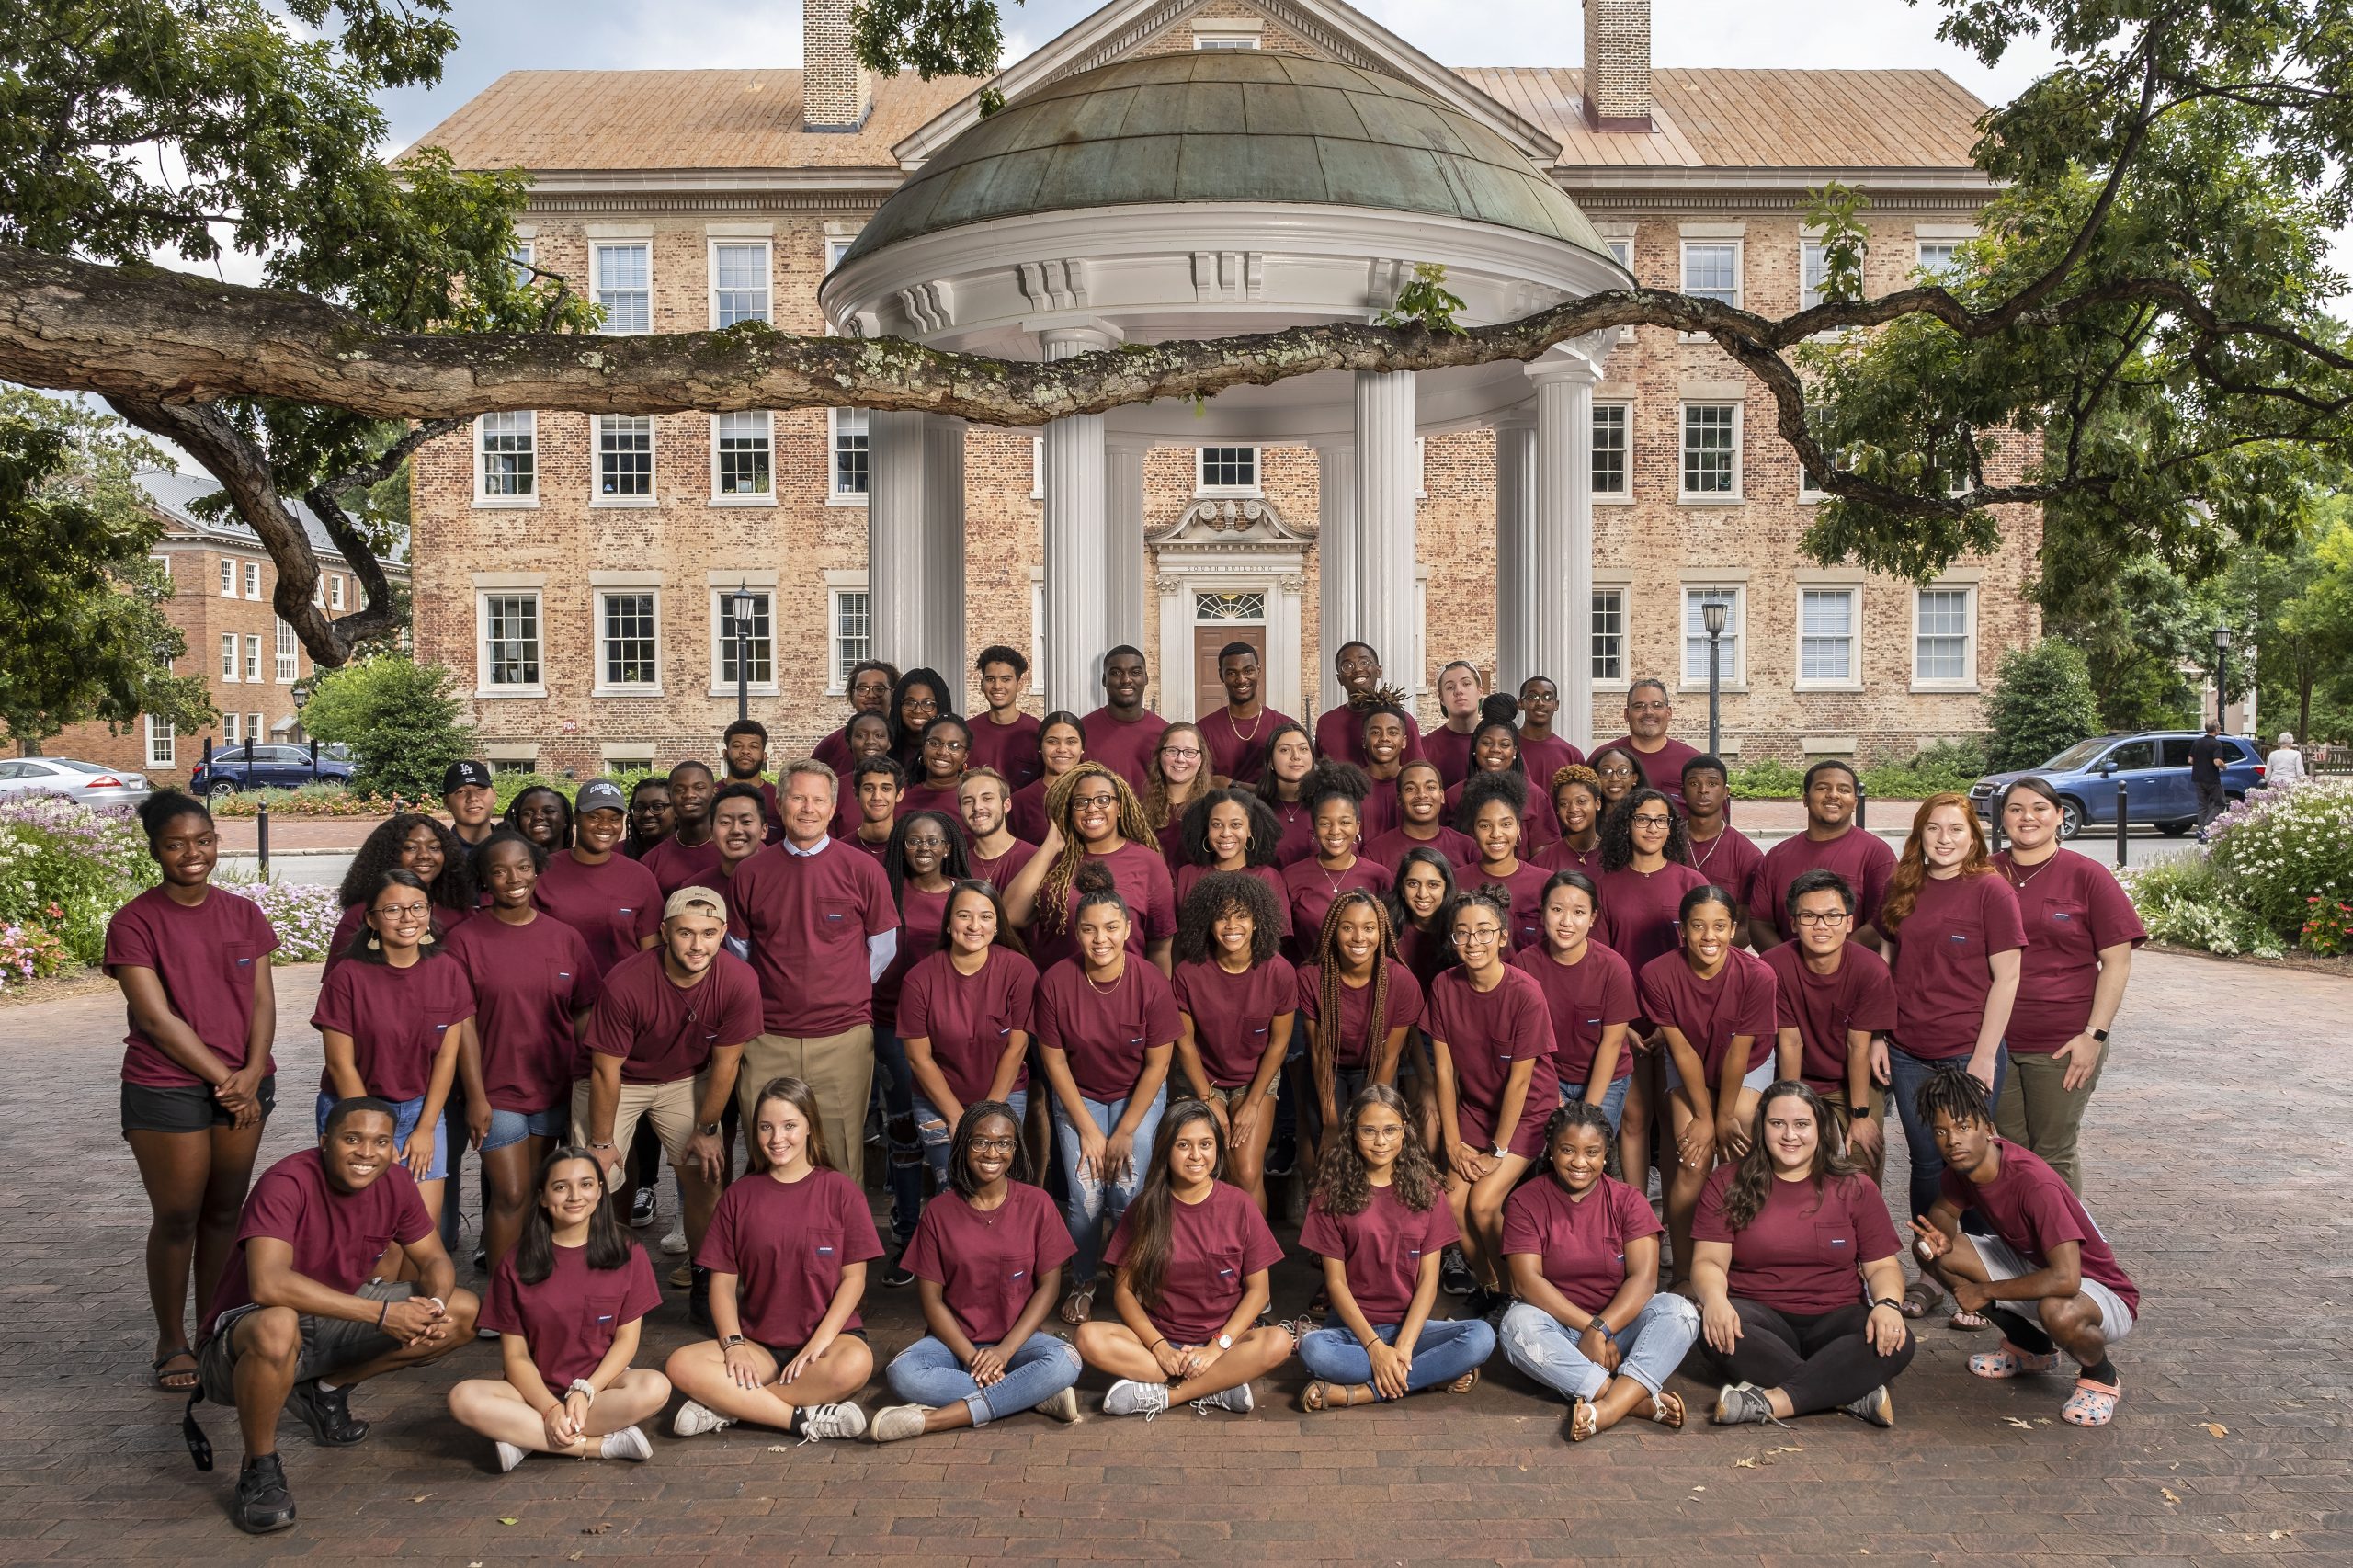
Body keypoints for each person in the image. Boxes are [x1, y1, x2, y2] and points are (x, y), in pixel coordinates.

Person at [189, 1097, 478, 1533]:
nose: (366, 1153)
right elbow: (268, 1285)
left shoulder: (396, 1183)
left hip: (331, 1318)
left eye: (380, 1141)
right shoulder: (287, 1181)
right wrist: (382, 1315)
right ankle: (260, 1468)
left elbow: (435, 1259)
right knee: (278, 1322)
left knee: (463, 1311)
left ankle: (323, 1391)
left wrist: (433, 1305)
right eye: (352, 1139)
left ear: (392, 1149)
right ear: (324, 1141)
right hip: (241, 1340)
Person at [110, 790, 278, 1395]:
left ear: (216, 841)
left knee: (225, 1214)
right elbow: (156, 1018)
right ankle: (171, 1340)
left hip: (246, 1084)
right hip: (166, 1085)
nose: (192, 853)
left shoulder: (244, 915)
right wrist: (224, 1078)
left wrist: (253, 1071)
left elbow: (262, 1001)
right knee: (178, 1215)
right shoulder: (134, 922)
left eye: (202, 840)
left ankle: (212, 1332)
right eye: (177, 843)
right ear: (155, 849)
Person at [1912, 1071, 2141, 1427]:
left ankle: (2101, 1377)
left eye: (1962, 1127)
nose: (1952, 1141)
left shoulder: (2034, 1183)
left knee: (2059, 1311)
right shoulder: (1963, 1167)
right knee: (1929, 1251)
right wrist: (1940, 1235)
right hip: (2036, 1265)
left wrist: (1982, 1291)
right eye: (1941, 1132)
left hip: (2099, 1289)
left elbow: (2066, 1278)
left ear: (1987, 1128)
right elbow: (1943, 1210)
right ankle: (2030, 1348)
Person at [580, 887, 759, 1322]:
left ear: (723, 934)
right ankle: (596, 1283)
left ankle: (705, 1281)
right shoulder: (626, 982)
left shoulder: (738, 980)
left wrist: (708, 1129)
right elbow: (606, 1071)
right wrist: (602, 1145)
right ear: (664, 932)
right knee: (592, 1182)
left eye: (708, 934)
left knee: (705, 1175)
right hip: (618, 1081)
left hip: (682, 1080)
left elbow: (726, 1063)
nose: (697, 945)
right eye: (685, 933)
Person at [1877, 793, 2025, 1318]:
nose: (1944, 839)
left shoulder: (1990, 890)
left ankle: (1983, 1279)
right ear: (1919, 836)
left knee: (1973, 1165)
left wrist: (1984, 1058)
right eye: (1933, 829)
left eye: (1956, 830)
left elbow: (2007, 977)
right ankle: (1931, 1273)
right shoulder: (1904, 887)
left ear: (1974, 837)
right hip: (1909, 1050)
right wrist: (1878, 1036)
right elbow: (1885, 966)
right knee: (1926, 1165)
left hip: (1967, 1052)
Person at [1690, 1083, 1914, 1427]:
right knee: (1714, 1328)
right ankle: (1850, 1391)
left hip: (1836, 1318)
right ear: (1761, 1127)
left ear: (1820, 1128)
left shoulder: (1855, 1187)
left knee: (1897, 1338)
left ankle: (1774, 1401)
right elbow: (1709, 1261)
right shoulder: (1728, 1181)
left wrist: (1887, 1304)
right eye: (1777, 1123)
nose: (1789, 1135)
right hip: (1759, 1318)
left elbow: (1882, 1266)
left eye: (1801, 1124)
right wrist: (1716, 1300)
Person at [666, 1077, 877, 1442]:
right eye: (766, 1127)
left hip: (829, 1340)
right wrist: (733, 1345)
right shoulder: (739, 1196)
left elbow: (854, 1280)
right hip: (759, 1343)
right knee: (680, 1364)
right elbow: (722, 1284)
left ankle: (729, 1408)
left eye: (789, 1125)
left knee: (856, 1364)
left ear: (810, 1126)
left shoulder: (841, 1191)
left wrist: (817, 1345)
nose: (777, 1138)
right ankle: (799, 1418)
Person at [724, 759, 899, 1189]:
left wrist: (843, 987)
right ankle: (771, 1253)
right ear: (780, 804)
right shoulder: (750, 873)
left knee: (840, 1158)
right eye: (798, 797)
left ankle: (842, 1254)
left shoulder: (862, 870)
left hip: (842, 1040)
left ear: (833, 807)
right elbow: (741, 952)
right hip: (766, 1039)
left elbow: (884, 946)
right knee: (769, 1158)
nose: (807, 808)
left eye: (818, 799)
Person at [871, 1102, 1085, 1440]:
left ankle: (939, 1419)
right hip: (954, 1346)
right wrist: (973, 1357)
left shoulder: (1036, 1204)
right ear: (964, 1145)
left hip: (1019, 1343)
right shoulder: (940, 1211)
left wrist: (1004, 1351)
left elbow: (1049, 1288)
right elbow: (931, 1301)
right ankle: (1031, 1396)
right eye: (980, 1141)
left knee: (1066, 1360)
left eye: (1004, 1143)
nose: (992, 1152)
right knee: (902, 1374)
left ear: (1015, 1149)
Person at [447, 1147, 668, 1469]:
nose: (574, 1196)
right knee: (463, 1398)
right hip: (532, 1392)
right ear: (543, 1197)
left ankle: (524, 1438)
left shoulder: (628, 1252)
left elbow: (626, 1341)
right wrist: (550, 1409)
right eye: (561, 1186)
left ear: (600, 1192)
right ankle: (598, 1446)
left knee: (654, 1387)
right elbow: (516, 1356)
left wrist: (586, 1390)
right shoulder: (516, 1262)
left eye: (586, 1184)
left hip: (602, 1387)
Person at [445, 833, 599, 1274]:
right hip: (496, 1092)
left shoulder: (565, 938)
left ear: (537, 870)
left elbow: (583, 1009)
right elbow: (461, 1026)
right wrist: (474, 1097)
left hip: (553, 1089)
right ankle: (501, 1296)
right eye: (499, 871)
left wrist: (584, 1082)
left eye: (523, 867)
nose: (513, 879)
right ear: (484, 880)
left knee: (538, 1194)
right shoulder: (464, 941)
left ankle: (533, 1284)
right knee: (511, 1195)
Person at [1078, 1103, 1294, 1416]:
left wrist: (1216, 1348)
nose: (1196, 1156)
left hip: (1223, 1344)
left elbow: (1260, 1292)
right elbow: (1124, 1293)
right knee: (1088, 1338)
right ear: (1165, 1149)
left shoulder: (1241, 1206)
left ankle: (1167, 1395)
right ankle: (1219, 1386)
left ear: (1217, 1150)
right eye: (1183, 1145)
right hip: (1158, 1341)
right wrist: (1160, 1347)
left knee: (1279, 1341)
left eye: (1205, 1145)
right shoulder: (1144, 1209)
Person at [1034, 866, 1180, 1324]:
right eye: (1090, 929)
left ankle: (1130, 1280)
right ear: (1076, 932)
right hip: (1080, 1096)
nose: (1101, 939)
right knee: (1085, 1192)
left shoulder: (1151, 981)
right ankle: (1083, 1278)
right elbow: (1054, 1062)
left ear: (1129, 929)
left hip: (1138, 1095)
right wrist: (1089, 1130)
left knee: (1128, 1185)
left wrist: (1125, 1132)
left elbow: (1158, 1064)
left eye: (1112, 928)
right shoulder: (1056, 981)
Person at [1499, 1104, 1699, 1439]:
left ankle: (1606, 1408)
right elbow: (1526, 1282)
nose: (1580, 1162)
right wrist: (1590, 1328)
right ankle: (1633, 1401)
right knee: (1515, 1326)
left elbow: (1644, 1280)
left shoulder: (1627, 1200)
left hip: (1620, 1329)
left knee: (1681, 1312)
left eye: (1592, 1152)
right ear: (1551, 1152)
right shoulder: (1526, 1201)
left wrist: (1603, 1329)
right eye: (1568, 1150)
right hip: (1559, 1331)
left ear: (1606, 1155)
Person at [1991, 778, 2144, 1192]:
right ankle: (2015, 1253)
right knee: (2004, 1152)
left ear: (2059, 816)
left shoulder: (2086, 876)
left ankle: (2065, 1256)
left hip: (2062, 1042)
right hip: (1992, 1044)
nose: (2028, 817)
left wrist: (2093, 1035)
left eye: (2040, 808)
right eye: (2016, 808)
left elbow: (2117, 962)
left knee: (2052, 1154)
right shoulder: (1983, 875)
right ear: (2002, 818)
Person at [1297, 1085, 1493, 1409]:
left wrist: (1402, 1347)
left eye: (1390, 1130)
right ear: (1353, 1134)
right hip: (1351, 1332)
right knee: (1313, 1351)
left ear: (1405, 1131)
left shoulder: (1429, 1192)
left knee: (1481, 1337)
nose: (1381, 1141)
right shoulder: (1328, 1195)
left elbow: (1429, 1281)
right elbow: (1335, 1284)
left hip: (1411, 1330)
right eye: (1369, 1131)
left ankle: (1362, 1392)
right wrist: (1374, 1347)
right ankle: (1431, 1377)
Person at [313, 869, 476, 1226]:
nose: (408, 919)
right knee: (368, 1232)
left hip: (421, 1112)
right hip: (356, 1111)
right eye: (393, 910)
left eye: (418, 907)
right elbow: (341, 1066)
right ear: (371, 919)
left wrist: (425, 1129)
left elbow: (447, 1057)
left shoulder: (448, 971)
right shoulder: (348, 976)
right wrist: (374, 1136)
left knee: (420, 1232)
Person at [1427, 886, 1558, 1314]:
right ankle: (1491, 1285)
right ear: (1452, 940)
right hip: (1474, 1109)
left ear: (1503, 937)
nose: (1473, 942)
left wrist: (1498, 1152)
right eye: (1462, 933)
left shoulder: (1526, 991)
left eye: (1484, 932)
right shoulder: (1444, 986)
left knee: (1483, 1203)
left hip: (1525, 1112)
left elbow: (1521, 1083)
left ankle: (1521, 1292)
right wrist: (1451, 1141)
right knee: (1450, 1205)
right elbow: (1444, 1072)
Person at [1640, 884, 1779, 1283]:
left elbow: (1740, 1052)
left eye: (1720, 926)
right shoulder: (1657, 974)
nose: (1709, 937)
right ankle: (1683, 1274)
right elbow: (1681, 1051)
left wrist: (1721, 1118)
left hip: (1746, 1060)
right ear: (1681, 930)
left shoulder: (1758, 974)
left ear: (1735, 928)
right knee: (1691, 1156)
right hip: (1690, 1059)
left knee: (1737, 1143)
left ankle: (1738, 1269)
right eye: (1698, 926)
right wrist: (1703, 1116)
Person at [873, 811, 971, 1267]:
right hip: (892, 1022)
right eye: (914, 841)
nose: (925, 848)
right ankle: (908, 1230)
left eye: (934, 841)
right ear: (901, 847)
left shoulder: (962, 897)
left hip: (950, 1026)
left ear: (949, 847)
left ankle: (955, 1233)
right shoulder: (888, 893)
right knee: (903, 1128)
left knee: (951, 1128)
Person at [1170, 870, 1296, 1213]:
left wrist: (1253, 1102)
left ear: (1258, 922)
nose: (1231, 926)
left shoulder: (1280, 972)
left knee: (1247, 1171)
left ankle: (1255, 1259)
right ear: (1208, 924)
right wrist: (1207, 1097)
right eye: (1222, 917)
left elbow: (1279, 1044)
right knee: (1205, 1169)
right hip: (1201, 1076)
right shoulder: (1188, 972)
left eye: (1241, 916)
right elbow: (1185, 1043)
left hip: (1254, 1079)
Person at [900, 881, 1038, 1189]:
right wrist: (956, 1118)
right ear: (949, 924)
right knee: (951, 1186)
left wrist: (987, 1115)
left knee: (998, 1188)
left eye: (986, 917)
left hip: (1004, 1095)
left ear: (997, 924)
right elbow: (918, 1058)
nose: (975, 926)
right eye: (964, 916)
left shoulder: (1019, 971)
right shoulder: (919, 980)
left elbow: (1016, 1048)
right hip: (936, 1100)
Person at [1762, 870, 1896, 1182]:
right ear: (1794, 923)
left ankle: (1863, 1225)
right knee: (1793, 1152)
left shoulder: (1870, 970)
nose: (1821, 926)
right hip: (1798, 1075)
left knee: (1865, 1150)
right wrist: (1792, 1110)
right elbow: (1790, 1043)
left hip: (1852, 1079)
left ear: (1849, 922)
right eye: (1809, 916)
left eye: (1833, 916)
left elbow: (1858, 1045)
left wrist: (1859, 1115)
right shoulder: (1773, 966)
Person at [1003, 763, 1177, 974]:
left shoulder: (1148, 862)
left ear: (1120, 807)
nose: (1092, 808)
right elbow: (1011, 915)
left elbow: (1160, 948)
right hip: (1060, 992)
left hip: (1125, 992)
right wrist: (1051, 845)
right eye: (1081, 802)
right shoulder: (1052, 860)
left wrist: (1156, 999)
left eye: (1103, 800)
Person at [1298, 892, 1425, 1165]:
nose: (1359, 937)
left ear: (1382, 933)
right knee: (1326, 1141)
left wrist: (1369, 1115)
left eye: (1369, 928)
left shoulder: (1402, 982)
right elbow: (1319, 1054)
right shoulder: (1311, 977)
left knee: (1368, 1141)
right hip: (1328, 1067)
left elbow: (1390, 1056)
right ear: (1333, 931)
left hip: (1375, 1067)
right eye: (1347, 927)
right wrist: (1332, 1124)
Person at [1514, 871, 1637, 1131]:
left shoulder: (1613, 968)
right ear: (1542, 911)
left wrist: (1587, 1113)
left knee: (1587, 1143)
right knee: (1543, 1152)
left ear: (1592, 918)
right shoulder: (1524, 964)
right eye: (1557, 909)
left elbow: (1612, 1043)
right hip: (1548, 1076)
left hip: (1607, 1078)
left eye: (1579, 912)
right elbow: (1527, 1043)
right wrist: (1552, 1094)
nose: (1566, 921)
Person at [1751, 761, 1896, 949]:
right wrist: (1788, 964)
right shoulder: (1776, 857)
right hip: (1787, 976)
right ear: (1805, 799)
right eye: (1822, 788)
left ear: (1855, 802)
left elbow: (1883, 922)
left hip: (1853, 972)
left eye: (1843, 790)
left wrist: (1833, 962)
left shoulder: (1877, 854)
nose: (1833, 795)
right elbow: (1759, 923)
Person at [534, 779, 663, 979]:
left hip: (622, 994)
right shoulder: (544, 871)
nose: (605, 826)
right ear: (576, 817)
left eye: (614, 818)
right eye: (594, 816)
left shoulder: (640, 877)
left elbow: (651, 953)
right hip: (558, 996)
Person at [325, 813, 478, 972]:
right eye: (411, 848)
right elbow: (337, 985)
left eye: (434, 848)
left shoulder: (461, 913)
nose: (424, 855)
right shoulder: (361, 915)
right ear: (389, 854)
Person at [1283, 762, 1395, 964]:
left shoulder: (1379, 876)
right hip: (1310, 981)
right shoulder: (1290, 877)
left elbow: (1388, 940)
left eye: (1344, 822)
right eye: (1325, 823)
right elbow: (1286, 947)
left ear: (1357, 826)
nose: (1335, 831)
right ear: (1315, 828)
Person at [1173, 787, 1293, 945]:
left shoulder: (1268, 877)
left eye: (1235, 825)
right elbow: (1175, 940)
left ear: (1250, 830)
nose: (1226, 833)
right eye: (1217, 825)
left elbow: (1274, 945)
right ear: (1206, 828)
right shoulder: (1187, 874)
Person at [1443, 701, 1558, 854]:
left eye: (1504, 745)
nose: (1495, 749)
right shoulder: (1453, 796)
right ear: (1474, 748)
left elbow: (1544, 857)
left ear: (1515, 751)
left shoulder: (1535, 796)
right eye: (1486, 743)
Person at [1457, 773, 1550, 951]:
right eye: (1485, 826)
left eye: (1506, 824)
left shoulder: (1545, 884)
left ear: (1518, 829)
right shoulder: (1456, 882)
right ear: (1473, 832)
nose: (1496, 834)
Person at [1199, 641, 1297, 787]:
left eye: (1248, 671)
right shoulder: (1203, 730)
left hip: (1273, 809)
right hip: (1221, 808)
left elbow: (1293, 788)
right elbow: (1203, 786)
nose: (1241, 680)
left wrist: (1232, 784)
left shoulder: (1286, 726)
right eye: (1232, 673)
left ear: (1259, 670)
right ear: (1221, 675)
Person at [1596, 680, 1702, 812]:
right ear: (1626, 714)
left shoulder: (1694, 762)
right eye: (1639, 706)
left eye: (1657, 705)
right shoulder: (1602, 759)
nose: (1648, 712)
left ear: (1669, 713)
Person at [1315, 641, 1425, 768]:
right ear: (1339, 679)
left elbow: (1418, 773)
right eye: (1347, 666)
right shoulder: (1326, 723)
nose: (1357, 669)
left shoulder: (1403, 721)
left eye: (1364, 662)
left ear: (1378, 671)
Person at [1082, 646, 1170, 794]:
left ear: (1146, 678)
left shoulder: (1166, 734)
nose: (1126, 680)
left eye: (1135, 672)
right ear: (1104, 679)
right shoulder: (1082, 731)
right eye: (1116, 673)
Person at [1680, 756, 1760, 914]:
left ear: (1726, 792)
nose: (1703, 790)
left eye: (1712, 783)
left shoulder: (1747, 855)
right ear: (1683, 792)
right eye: (1694, 783)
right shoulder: (1663, 840)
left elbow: (1745, 922)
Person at [1366, 758, 1476, 873]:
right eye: (1410, 789)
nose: (1422, 795)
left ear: (1442, 796)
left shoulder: (1468, 847)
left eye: (1430, 787)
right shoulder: (1375, 852)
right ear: (1399, 799)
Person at [640, 760, 722, 897]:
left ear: (714, 793)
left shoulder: (736, 848)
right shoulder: (651, 862)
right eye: (679, 790)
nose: (689, 795)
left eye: (699, 787)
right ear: (670, 797)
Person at [969, 645, 1042, 789]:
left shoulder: (1037, 732)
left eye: (1006, 679)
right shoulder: (966, 732)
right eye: (990, 679)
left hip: (1022, 811)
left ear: (1019, 684)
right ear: (982, 684)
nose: (997, 686)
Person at [1008, 710, 1086, 845]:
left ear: (1082, 748)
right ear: (1040, 747)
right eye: (1052, 741)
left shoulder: (1098, 797)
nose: (1062, 749)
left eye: (1071, 742)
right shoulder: (1019, 802)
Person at [813, 658, 897, 778]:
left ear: (893, 694)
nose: (871, 695)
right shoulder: (831, 745)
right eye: (862, 689)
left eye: (879, 689)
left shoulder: (906, 740)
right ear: (852, 695)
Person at [1142, 721, 1211, 865]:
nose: (1180, 759)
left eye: (1189, 752)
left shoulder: (1214, 808)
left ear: (1201, 760)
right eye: (1172, 750)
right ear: (1160, 756)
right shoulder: (1140, 811)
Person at [958, 767, 1038, 890]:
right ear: (960, 810)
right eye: (968, 801)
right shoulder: (957, 866)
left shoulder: (1035, 858)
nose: (977, 807)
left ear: (1006, 805)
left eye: (987, 798)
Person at [1252, 722, 1319, 865]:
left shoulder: (1329, 805)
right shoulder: (1254, 811)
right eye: (1285, 750)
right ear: (1270, 762)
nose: (1296, 756)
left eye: (1303, 749)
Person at [826, 712, 898, 839]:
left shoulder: (903, 785)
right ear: (849, 742)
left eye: (879, 736)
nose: (870, 741)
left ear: (889, 742)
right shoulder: (833, 788)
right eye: (861, 736)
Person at [1514, 676, 1585, 793]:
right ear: (1521, 704)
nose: (1540, 703)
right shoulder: (1506, 748)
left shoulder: (1572, 755)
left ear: (1556, 705)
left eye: (1548, 697)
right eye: (1532, 697)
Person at [1424, 660, 1487, 787]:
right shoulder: (1426, 747)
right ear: (1442, 699)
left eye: (1466, 683)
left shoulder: (1500, 742)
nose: (1458, 691)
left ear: (1480, 691)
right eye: (1450, 687)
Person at [1534, 764, 1606, 877]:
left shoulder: (1615, 854)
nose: (1572, 809)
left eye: (1581, 801)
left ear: (1597, 804)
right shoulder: (1542, 862)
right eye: (1564, 804)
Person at [1355, 703, 1413, 841]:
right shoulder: (1351, 785)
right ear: (1364, 741)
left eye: (1392, 732)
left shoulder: (1415, 784)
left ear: (1404, 742)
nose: (1384, 738)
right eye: (1375, 732)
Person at [887, 666, 959, 778]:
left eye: (928, 704)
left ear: (940, 707)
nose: (918, 710)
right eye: (910, 703)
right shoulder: (884, 749)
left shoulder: (954, 752)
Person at [721, 718, 780, 844]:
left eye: (753, 746)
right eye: (737, 746)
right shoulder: (710, 796)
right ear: (725, 754)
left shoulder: (779, 798)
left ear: (764, 757)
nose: (745, 751)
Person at [900, 715, 973, 819]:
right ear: (923, 747)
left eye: (954, 746)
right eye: (934, 743)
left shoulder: (974, 797)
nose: (942, 752)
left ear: (965, 756)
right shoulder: (901, 794)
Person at [845, 754, 906, 858]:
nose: (877, 797)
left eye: (886, 789)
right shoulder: (842, 850)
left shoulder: (911, 847)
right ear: (856, 794)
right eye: (869, 789)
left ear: (899, 794)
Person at [442, 759, 498, 849]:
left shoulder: (516, 847)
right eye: (461, 792)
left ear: (494, 795)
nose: (472, 798)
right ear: (446, 802)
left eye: (480, 789)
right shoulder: (439, 853)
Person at [622, 776, 674, 862]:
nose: (647, 814)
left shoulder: (692, 851)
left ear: (676, 810)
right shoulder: (618, 852)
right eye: (639, 808)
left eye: (657, 807)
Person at [2190, 718, 2229, 829]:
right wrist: (2224, 766)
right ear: (2216, 729)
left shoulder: (2197, 742)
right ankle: (2204, 829)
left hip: (2197, 778)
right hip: (2212, 779)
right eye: (2219, 727)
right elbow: (2217, 762)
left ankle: (2201, 834)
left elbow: (2190, 760)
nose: (2220, 729)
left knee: (2202, 806)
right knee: (2221, 804)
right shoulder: (2216, 744)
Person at [1586, 743, 1646, 812]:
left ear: (1634, 778)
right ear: (1596, 778)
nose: (1614, 779)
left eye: (1623, 772)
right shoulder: (1586, 817)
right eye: (1606, 772)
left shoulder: (1646, 817)